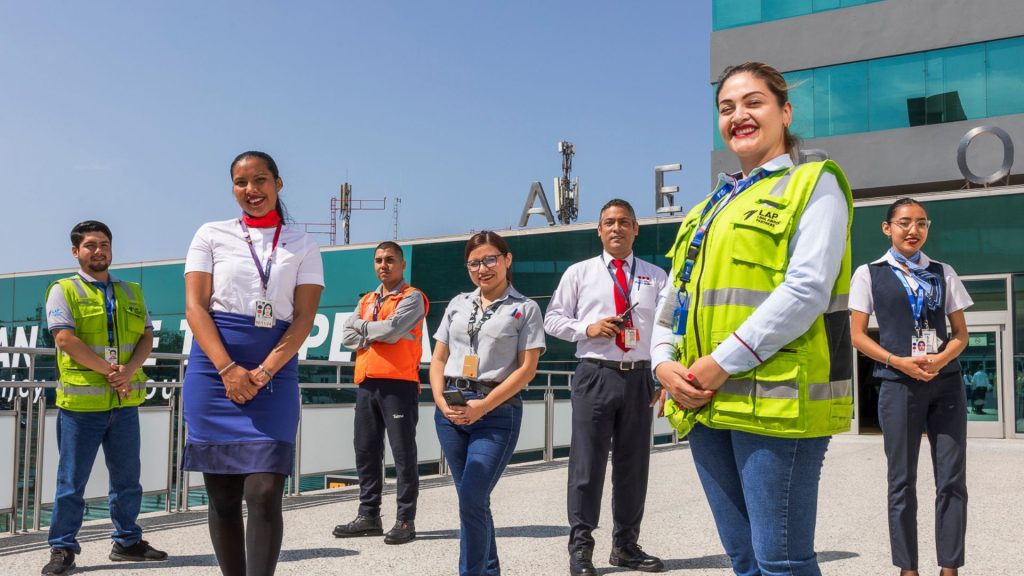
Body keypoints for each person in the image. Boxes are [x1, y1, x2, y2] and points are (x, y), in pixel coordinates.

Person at [652, 62, 854, 576]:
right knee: (744, 560)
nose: (738, 115)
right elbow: (673, 301)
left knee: (781, 561)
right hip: (703, 403)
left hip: (775, 404)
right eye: (726, 107)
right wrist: (661, 363)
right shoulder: (705, 209)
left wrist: (719, 363)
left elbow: (806, 289)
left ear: (784, 112)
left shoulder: (814, 183)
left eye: (753, 102)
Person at [183, 151, 324, 576]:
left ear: (278, 184)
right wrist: (228, 369)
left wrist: (263, 371)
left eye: (260, 180)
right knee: (223, 498)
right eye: (242, 183)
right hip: (214, 371)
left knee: (263, 492)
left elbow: (303, 318)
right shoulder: (210, 234)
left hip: (274, 372)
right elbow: (195, 308)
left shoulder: (303, 243)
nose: (252, 190)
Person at [545, 199, 668, 576]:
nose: (616, 228)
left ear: (636, 230)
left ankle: (626, 546)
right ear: (599, 230)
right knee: (587, 464)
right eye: (609, 222)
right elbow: (552, 320)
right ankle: (581, 548)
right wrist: (588, 328)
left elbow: (665, 330)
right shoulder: (579, 273)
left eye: (624, 222)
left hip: (639, 376)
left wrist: (662, 376)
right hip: (595, 373)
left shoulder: (656, 276)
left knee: (634, 466)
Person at [850, 197, 971, 576]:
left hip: (945, 383)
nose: (913, 230)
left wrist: (940, 360)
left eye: (921, 223)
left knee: (952, 479)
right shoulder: (869, 273)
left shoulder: (942, 271)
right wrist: (898, 361)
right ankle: (908, 568)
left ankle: (949, 568)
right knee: (901, 480)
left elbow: (961, 335)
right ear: (887, 228)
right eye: (904, 222)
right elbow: (857, 336)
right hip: (898, 383)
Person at [41, 220, 168, 575]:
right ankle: (62, 549)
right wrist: (111, 371)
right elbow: (64, 339)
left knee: (128, 479)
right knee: (71, 483)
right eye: (91, 245)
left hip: (124, 404)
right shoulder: (63, 290)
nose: (99, 251)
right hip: (81, 408)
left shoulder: (132, 292)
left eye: (105, 245)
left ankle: (127, 541)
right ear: (76, 251)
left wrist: (127, 371)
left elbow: (146, 337)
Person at [430, 231, 545, 576]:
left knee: (471, 498)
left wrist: (482, 407)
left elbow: (526, 370)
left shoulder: (524, 309)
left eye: (490, 259)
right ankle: (489, 570)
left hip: (496, 412)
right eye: (474, 263)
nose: (483, 268)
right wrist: (439, 400)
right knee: (473, 500)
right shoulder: (457, 304)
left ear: (507, 260)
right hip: (450, 408)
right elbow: (438, 360)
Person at [333, 241, 429, 544]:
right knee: (365, 451)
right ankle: (368, 516)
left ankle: (404, 520)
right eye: (378, 260)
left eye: (390, 260)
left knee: (403, 454)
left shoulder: (413, 298)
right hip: (366, 383)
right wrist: (374, 328)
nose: (383, 265)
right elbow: (347, 335)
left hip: (398, 384)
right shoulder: (368, 300)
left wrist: (366, 330)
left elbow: (393, 330)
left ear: (402, 265)